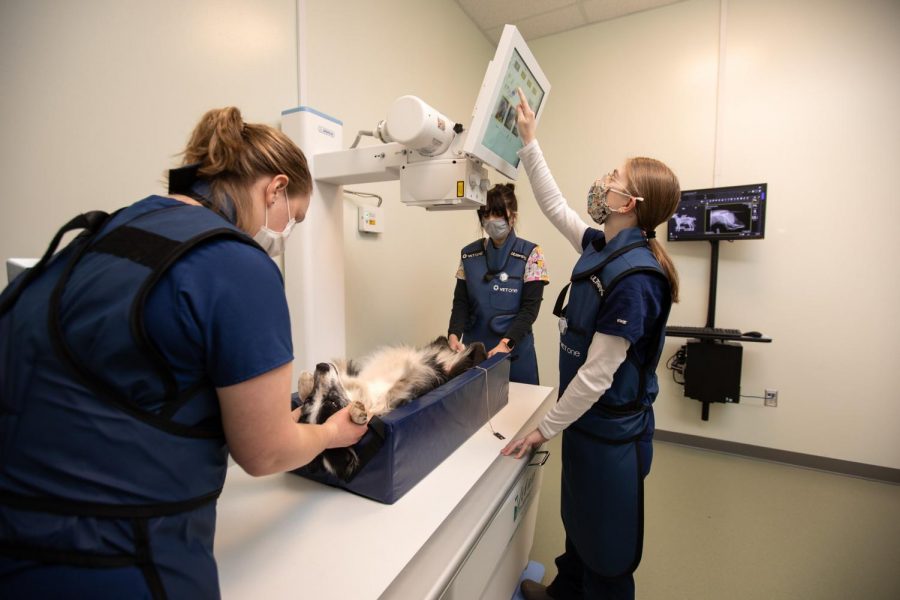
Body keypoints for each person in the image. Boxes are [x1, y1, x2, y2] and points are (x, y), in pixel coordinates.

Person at [0, 107, 367, 598]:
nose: (286, 233)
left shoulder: (106, 232)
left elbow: (130, 379)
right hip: (118, 555)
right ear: (275, 189)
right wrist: (328, 434)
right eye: (294, 218)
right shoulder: (238, 265)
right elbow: (264, 451)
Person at [502, 89, 681, 600]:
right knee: (578, 520)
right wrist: (530, 142)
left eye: (614, 179)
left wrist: (544, 429)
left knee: (608, 547)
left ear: (631, 204)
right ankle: (565, 592)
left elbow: (599, 375)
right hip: (585, 422)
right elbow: (555, 204)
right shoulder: (602, 247)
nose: (603, 182)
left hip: (610, 431)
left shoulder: (636, 278)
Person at [447, 183, 549, 384]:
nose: (491, 220)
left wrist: (506, 344)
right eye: (486, 214)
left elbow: (529, 310)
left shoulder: (532, 254)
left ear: (513, 217)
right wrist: (453, 335)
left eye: (497, 214)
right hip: (475, 353)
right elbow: (461, 302)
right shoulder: (469, 255)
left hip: (515, 355)